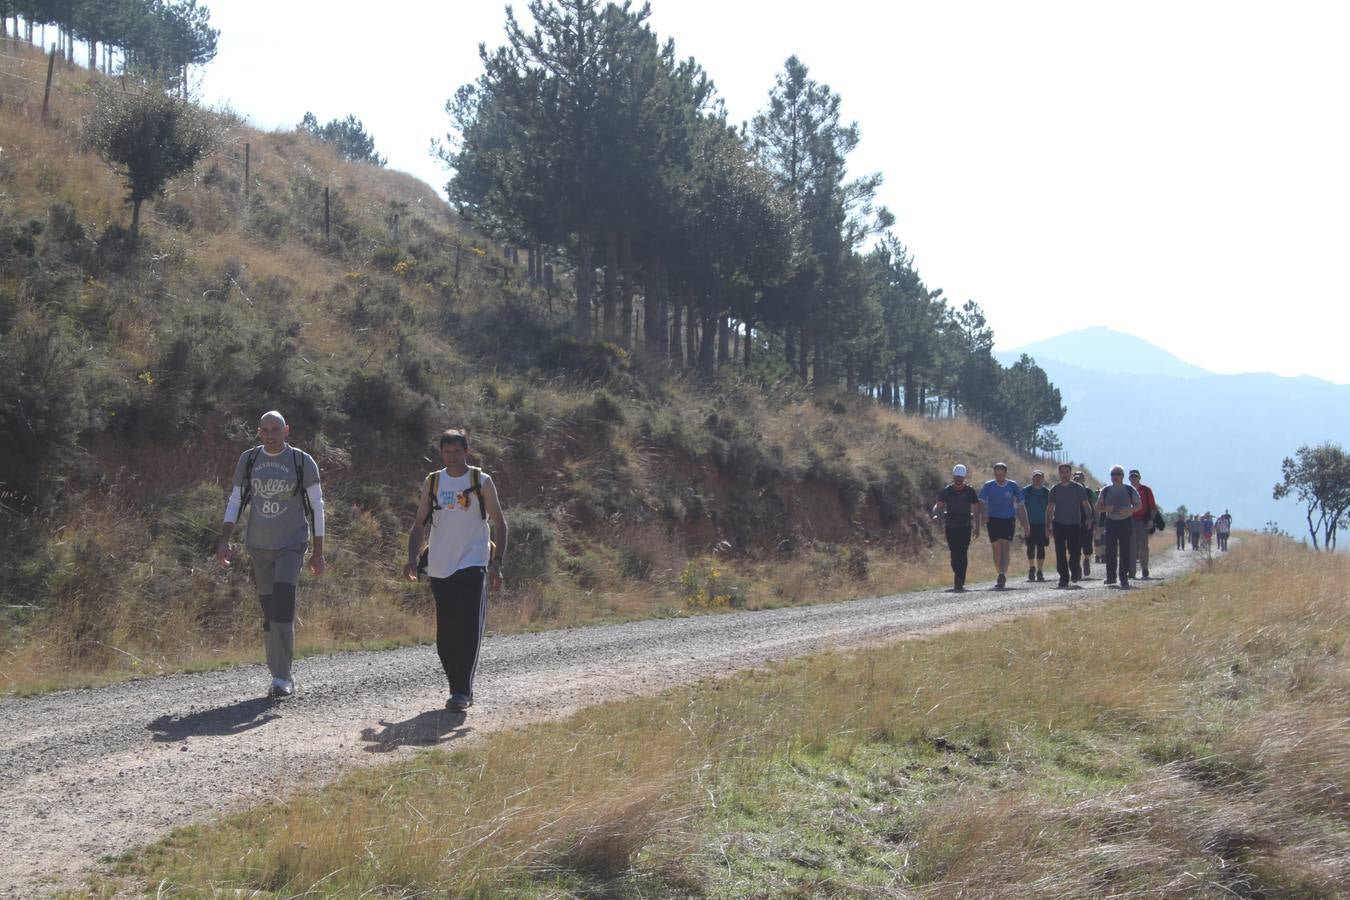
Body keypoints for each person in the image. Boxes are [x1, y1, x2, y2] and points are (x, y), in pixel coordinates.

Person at [217, 411, 325, 699]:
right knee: (269, 612)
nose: (270, 435)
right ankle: (276, 671)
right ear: (258, 432)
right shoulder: (249, 459)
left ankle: (282, 677)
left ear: (286, 430)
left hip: (291, 543)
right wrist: (224, 540)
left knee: (283, 603)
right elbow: (236, 499)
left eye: (275, 429)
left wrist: (318, 551)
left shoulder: (302, 462)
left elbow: (317, 507)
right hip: (258, 546)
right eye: (264, 430)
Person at [403, 429, 508, 713]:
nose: (452, 456)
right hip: (439, 565)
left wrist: (496, 563)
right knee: (446, 633)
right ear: (441, 453)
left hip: (473, 562)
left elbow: (500, 523)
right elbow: (418, 524)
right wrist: (412, 557)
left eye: (457, 452)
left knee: (469, 628)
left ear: (466, 451)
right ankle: (456, 685)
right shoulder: (433, 482)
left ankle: (461, 691)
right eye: (447, 452)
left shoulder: (480, 481)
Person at [978, 462, 1029, 590]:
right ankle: (999, 572)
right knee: (996, 548)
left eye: (1001, 473)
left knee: (1005, 547)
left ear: (1005, 473)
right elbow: (981, 502)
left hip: (1008, 519)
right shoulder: (989, 485)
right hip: (993, 520)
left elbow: (1021, 505)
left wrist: (1025, 522)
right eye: (997, 474)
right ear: (994, 473)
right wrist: (984, 515)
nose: (999, 476)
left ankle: (1002, 574)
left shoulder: (1013, 485)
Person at [932, 464, 982, 592]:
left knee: (963, 552)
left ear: (964, 477)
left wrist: (977, 526)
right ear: (953, 476)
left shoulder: (970, 491)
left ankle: (959, 579)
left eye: (961, 476)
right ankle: (958, 576)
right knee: (954, 553)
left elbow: (976, 509)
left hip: (965, 525)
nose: (959, 479)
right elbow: (938, 506)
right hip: (951, 525)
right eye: (957, 476)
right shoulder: (947, 491)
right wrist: (936, 514)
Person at [1046, 463, 1094, 587]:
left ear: (1070, 473)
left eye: (1067, 472)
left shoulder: (1078, 488)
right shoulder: (1055, 489)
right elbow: (1050, 509)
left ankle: (1074, 569)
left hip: (1074, 524)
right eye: (1062, 472)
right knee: (1060, 552)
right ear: (1059, 473)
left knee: (1075, 552)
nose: (1064, 474)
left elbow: (1086, 504)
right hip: (1059, 524)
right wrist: (1048, 525)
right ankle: (1063, 577)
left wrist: (1089, 518)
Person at [1095, 465, 1141, 588]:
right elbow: (1098, 507)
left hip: (1126, 521)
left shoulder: (1130, 489)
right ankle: (1110, 577)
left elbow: (1139, 505)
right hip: (1111, 521)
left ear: (1123, 476)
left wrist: (1129, 510)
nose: (1115, 476)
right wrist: (1106, 509)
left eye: (1118, 474)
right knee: (1110, 550)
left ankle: (1124, 577)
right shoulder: (1105, 490)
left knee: (1125, 550)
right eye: (1113, 474)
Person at [1127, 470, 1160, 579]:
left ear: (1139, 477)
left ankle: (1144, 567)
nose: (1133, 478)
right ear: (1129, 478)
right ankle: (1131, 572)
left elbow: (1152, 507)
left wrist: (1151, 520)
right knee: (1131, 546)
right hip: (1129, 520)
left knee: (1143, 546)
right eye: (1131, 477)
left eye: (1135, 476)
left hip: (1142, 521)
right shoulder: (1126, 490)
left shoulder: (1146, 490)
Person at [1022, 470, 1050, 582]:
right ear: (1032, 478)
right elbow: (1021, 506)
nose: (1037, 479)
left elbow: (1051, 509)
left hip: (1043, 524)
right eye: (1035, 477)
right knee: (1030, 547)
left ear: (1043, 479)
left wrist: (1049, 526)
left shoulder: (1047, 492)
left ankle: (1039, 570)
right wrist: (1023, 522)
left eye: (1039, 477)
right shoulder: (1026, 491)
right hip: (1029, 524)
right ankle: (1031, 567)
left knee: (1041, 547)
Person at [1073, 471, 1097, 576]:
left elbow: (1094, 506)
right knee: (1075, 545)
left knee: (1087, 544)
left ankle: (1086, 560)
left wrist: (1094, 520)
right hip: (1073, 521)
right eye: (1076, 478)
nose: (1078, 479)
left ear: (1084, 479)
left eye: (1080, 478)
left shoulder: (1088, 491)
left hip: (1087, 520)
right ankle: (1077, 566)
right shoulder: (1070, 490)